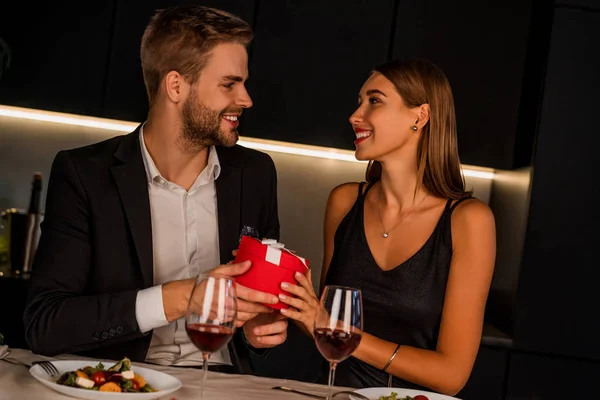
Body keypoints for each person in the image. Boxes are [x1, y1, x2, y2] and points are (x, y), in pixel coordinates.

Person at [23, 5, 288, 374]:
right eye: (229, 84)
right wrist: (181, 297)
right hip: (125, 381)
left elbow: (258, 306)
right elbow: (45, 324)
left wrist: (257, 329)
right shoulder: (84, 174)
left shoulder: (257, 174)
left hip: (226, 385)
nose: (246, 99)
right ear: (176, 85)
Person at [277, 59, 496, 395]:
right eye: (359, 101)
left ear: (420, 116)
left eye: (374, 101)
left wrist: (342, 333)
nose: (355, 115)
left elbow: (452, 375)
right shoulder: (345, 202)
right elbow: (325, 328)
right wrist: (295, 304)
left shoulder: (469, 221)